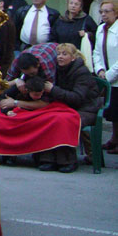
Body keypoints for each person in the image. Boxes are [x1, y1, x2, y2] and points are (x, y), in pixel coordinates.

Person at [33, 43, 100, 172]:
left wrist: (53, 89)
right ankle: (47, 159)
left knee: (63, 121)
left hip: (86, 109)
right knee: (45, 117)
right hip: (66, 106)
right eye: (58, 54)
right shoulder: (57, 69)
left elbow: (77, 98)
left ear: (73, 57)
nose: (60, 57)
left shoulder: (82, 72)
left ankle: (67, 161)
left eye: (64, 54)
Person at [93, 0, 118, 154]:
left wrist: (109, 75)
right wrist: (100, 69)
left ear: (116, 12)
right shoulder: (101, 29)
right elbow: (96, 52)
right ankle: (114, 139)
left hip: (114, 77)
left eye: (107, 11)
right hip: (107, 77)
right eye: (101, 12)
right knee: (114, 112)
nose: (103, 15)